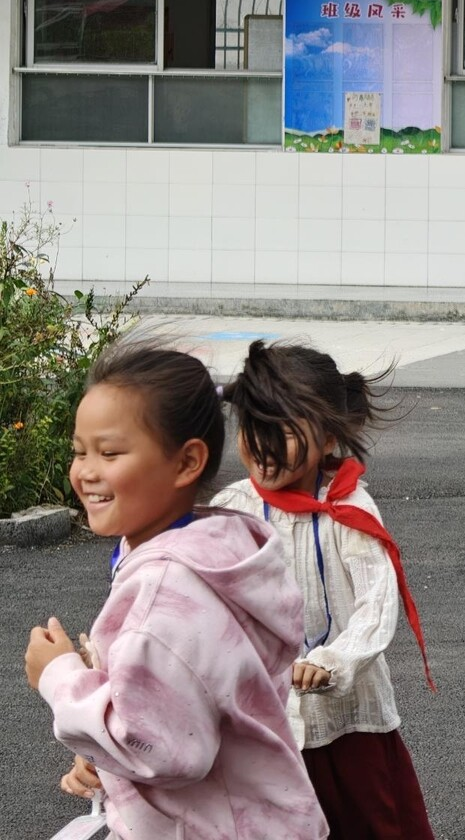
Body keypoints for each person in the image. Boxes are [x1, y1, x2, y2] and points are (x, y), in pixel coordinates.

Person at [29, 345, 326, 839]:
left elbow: (161, 749)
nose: (85, 471)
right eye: (79, 451)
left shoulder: (167, 593)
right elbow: (191, 708)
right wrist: (109, 766)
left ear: (187, 461)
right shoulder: (218, 552)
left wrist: (59, 678)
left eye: (110, 452)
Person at [211, 342, 436, 838]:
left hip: (346, 720)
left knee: (368, 823)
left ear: (329, 435)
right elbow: (202, 596)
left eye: (284, 431)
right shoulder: (232, 508)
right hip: (264, 717)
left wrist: (334, 660)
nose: (264, 444)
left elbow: (376, 603)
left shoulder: (348, 510)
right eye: (252, 427)